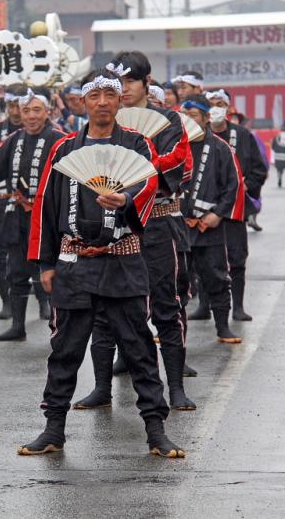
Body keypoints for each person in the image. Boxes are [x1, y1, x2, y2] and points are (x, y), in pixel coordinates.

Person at [18, 66, 184, 459]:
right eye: (95, 96)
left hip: (122, 260)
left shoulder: (138, 144)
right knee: (65, 349)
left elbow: (148, 185)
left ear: (120, 99)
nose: (104, 103)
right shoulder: (64, 149)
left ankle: (156, 430)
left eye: (111, 95)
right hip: (74, 262)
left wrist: (126, 201)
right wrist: (45, 263)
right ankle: (53, 428)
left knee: (139, 346)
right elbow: (46, 206)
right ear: (84, 101)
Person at [75, 52, 195, 411]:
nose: (122, 90)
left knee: (166, 303)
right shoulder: (103, 123)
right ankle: (100, 387)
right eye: (115, 83)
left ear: (147, 83)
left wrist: (136, 173)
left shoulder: (169, 121)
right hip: (112, 224)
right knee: (105, 305)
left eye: (129, 82)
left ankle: (175, 386)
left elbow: (175, 168)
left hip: (157, 221)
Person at [0, 87, 65, 341]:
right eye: (26, 110)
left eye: (36, 110)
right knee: (16, 269)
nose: (31, 116)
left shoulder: (61, 140)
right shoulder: (13, 139)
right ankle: (17, 326)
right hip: (19, 214)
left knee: (52, 270)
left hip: (49, 217)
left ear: (47, 112)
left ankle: (59, 327)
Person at [193, 88, 267, 322]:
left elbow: (259, 169)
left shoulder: (243, 136)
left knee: (236, 257)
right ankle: (204, 305)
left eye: (220, 104)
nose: (216, 108)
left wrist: (246, 185)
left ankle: (238, 307)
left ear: (228, 108)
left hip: (235, 207)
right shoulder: (198, 137)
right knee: (203, 259)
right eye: (211, 104)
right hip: (205, 208)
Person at [180, 95, 245, 344]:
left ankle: (222, 326)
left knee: (216, 276)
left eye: (194, 115)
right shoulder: (175, 145)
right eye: (185, 115)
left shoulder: (220, 148)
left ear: (207, 118)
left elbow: (233, 184)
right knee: (177, 281)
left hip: (209, 225)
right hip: (180, 225)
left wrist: (218, 213)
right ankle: (172, 329)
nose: (188, 120)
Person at [0, 83, 26, 320]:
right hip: (1, 200)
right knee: (1, 253)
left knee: (32, 252)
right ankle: (6, 302)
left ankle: (42, 300)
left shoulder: (38, 130)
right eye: (11, 105)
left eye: (20, 105)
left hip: (28, 201)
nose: (16, 110)